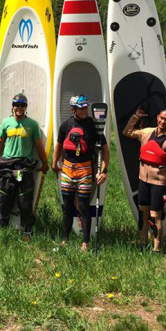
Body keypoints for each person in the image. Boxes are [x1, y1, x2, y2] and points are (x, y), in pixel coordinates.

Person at [51, 95, 109, 251]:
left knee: (84, 207)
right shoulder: (66, 125)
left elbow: (104, 149)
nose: (84, 110)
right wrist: (54, 162)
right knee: (67, 207)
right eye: (80, 108)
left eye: (85, 107)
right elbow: (59, 145)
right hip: (68, 169)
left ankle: (85, 242)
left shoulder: (94, 126)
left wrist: (104, 170)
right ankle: (65, 239)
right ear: (73, 109)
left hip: (85, 169)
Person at [0, 93, 49, 241]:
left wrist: (45, 162)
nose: (19, 108)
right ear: (12, 107)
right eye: (16, 105)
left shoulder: (32, 125)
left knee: (24, 200)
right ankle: (1, 229)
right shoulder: (6, 123)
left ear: (26, 107)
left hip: (21, 168)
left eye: (22, 105)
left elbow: (38, 145)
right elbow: (0, 141)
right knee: (5, 198)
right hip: (7, 166)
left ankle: (27, 231)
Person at [123, 107, 166, 252]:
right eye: (161, 118)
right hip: (143, 180)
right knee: (143, 213)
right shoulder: (147, 132)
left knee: (156, 216)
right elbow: (127, 132)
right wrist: (135, 117)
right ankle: (142, 243)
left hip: (158, 183)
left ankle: (157, 247)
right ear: (157, 118)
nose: (163, 121)